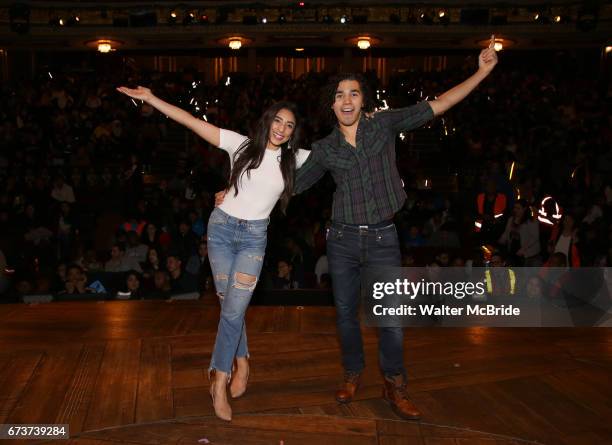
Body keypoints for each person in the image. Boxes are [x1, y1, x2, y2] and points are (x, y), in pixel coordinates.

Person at [277, 40, 498, 419]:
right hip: (343, 240)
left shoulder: (383, 124)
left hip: (382, 238)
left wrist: (482, 71)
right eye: (339, 95)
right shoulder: (325, 148)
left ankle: (394, 383)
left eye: (353, 93)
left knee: (391, 319)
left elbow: (439, 104)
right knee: (345, 315)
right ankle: (352, 373)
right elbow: (288, 184)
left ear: (363, 100)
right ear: (331, 104)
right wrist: (233, 191)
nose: (346, 100)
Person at [116, 85, 311, 422]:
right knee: (229, 307)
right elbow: (191, 121)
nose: (281, 128)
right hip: (221, 230)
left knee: (233, 311)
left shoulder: (298, 159)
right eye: (277, 120)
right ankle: (243, 359)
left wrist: (369, 119)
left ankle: (218, 381)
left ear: (294, 132)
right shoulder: (242, 145)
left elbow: (342, 149)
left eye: (289, 125)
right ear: (268, 121)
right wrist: (150, 99)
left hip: (254, 238)